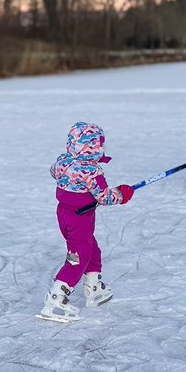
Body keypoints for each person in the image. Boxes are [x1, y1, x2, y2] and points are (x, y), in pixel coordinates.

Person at [39, 122, 134, 323]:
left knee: (91, 249)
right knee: (78, 257)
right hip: (80, 218)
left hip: (64, 215)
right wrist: (123, 194)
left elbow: (53, 172)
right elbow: (105, 197)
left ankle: (94, 288)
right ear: (93, 146)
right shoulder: (92, 171)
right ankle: (56, 298)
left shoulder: (62, 162)